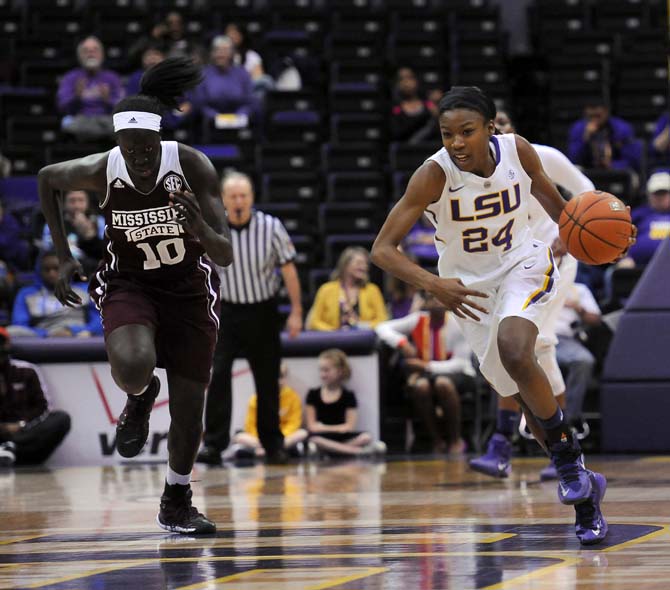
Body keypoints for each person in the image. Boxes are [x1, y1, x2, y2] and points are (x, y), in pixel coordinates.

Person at [370, 86, 624, 545]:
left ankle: (567, 464)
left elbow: (553, 202)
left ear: (491, 128)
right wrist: (432, 284)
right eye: (448, 134)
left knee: (516, 350)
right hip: (467, 290)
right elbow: (382, 250)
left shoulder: (518, 150)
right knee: (520, 393)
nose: (456, 143)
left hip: (524, 263)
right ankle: (585, 492)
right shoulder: (432, 175)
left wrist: (588, 236)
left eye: (466, 132)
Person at [38, 57, 233, 535]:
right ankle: (142, 395)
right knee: (133, 364)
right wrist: (63, 255)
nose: (141, 157)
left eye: (147, 146)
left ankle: (176, 500)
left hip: (189, 288)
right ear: (117, 143)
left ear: (159, 139)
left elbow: (225, 253)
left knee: (190, 410)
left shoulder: (190, 164)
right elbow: (47, 179)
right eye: (130, 148)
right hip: (130, 281)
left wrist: (198, 226)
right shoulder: (103, 168)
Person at [469, 109, 596, 481]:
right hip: (512, 266)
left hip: (554, 261)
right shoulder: (478, 175)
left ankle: (503, 443)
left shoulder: (542, 156)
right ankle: (564, 448)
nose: (502, 131)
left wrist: (569, 230)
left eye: (507, 124)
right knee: (524, 349)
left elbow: (588, 189)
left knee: (522, 348)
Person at [197, 171, 303, 466]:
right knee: (217, 377)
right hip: (226, 311)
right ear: (223, 199)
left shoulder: (271, 227)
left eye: (244, 196)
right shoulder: (212, 228)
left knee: (268, 379)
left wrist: (295, 311)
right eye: (233, 196)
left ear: (252, 198)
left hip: (263, 310)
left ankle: (273, 444)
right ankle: (214, 444)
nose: (239, 201)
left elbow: (289, 270)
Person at [376, 293, 475, 454]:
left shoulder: (458, 323)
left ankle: (455, 439)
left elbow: (461, 363)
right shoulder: (417, 320)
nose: (436, 301)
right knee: (420, 387)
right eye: (431, 298)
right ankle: (436, 440)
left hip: (457, 373)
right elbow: (382, 327)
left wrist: (426, 366)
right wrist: (402, 343)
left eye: (439, 297)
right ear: (425, 303)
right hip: (426, 374)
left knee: (442, 383)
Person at [0, 327, 71, 467]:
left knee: (61, 419)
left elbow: (43, 408)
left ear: (7, 344)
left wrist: (22, 424)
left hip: (24, 433)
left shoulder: (27, 370)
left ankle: (9, 448)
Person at [305, 349, 385, 457]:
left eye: (327, 370)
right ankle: (359, 452)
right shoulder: (313, 394)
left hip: (342, 437)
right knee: (314, 439)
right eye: (321, 370)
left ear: (339, 371)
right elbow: (312, 426)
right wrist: (338, 428)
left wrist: (323, 426)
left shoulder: (348, 396)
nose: (323, 374)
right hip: (322, 437)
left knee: (366, 437)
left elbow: (349, 427)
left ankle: (330, 451)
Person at [9, 251, 102, 338]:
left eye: (56, 269)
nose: (51, 274)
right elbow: (20, 325)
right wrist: (47, 334)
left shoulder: (86, 290)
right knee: (12, 331)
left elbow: (100, 319)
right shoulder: (26, 293)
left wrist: (74, 330)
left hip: (79, 337)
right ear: (39, 271)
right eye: (47, 269)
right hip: (42, 340)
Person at [228, 363, 308, 460]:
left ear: (285, 378)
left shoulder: (292, 397)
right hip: (261, 438)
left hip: (283, 437)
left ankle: (264, 450)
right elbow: (250, 425)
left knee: (302, 433)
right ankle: (275, 450)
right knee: (239, 436)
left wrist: (279, 438)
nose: (277, 381)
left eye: (280, 377)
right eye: (273, 377)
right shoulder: (256, 398)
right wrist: (264, 440)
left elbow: (294, 423)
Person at [57, 36, 123, 142]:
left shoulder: (112, 77)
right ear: (80, 56)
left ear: (102, 54)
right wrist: (77, 97)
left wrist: (107, 99)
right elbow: (63, 107)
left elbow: (122, 108)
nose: (91, 54)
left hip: (106, 120)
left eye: (95, 50)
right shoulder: (71, 77)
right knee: (67, 123)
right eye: (86, 51)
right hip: (80, 120)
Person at [555, 282, 602, 430]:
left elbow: (596, 320)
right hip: (534, 338)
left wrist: (579, 308)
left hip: (564, 340)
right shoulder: (531, 283)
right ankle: (515, 425)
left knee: (584, 360)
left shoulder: (577, 289)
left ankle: (568, 420)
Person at [307, 247, 388, 331]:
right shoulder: (326, 289)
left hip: (364, 339)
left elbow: (383, 320)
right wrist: (333, 332)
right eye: (359, 263)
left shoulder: (372, 290)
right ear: (345, 265)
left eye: (366, 264)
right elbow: (314, 321)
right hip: (332, 340)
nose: (364, 267)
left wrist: (363, 326)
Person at [190, 36, 256, 129]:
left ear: (232, 53)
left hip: (239, 121)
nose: (221, 54)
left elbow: (249, 101)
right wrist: (217, 117)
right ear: (212, 53)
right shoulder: (203, 74)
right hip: (211, 122)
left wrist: (239, 116)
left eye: (225, 50)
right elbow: (200, 104)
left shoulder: (242, 74)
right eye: (217, 50)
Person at [41, 190, 105, 277]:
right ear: (64, 204)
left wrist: (89, 235)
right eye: (72, 201)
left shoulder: (99, 221)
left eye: (81, 200)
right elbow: (47, 251)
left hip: (92, 269)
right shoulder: (53, 223)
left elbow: (104, 252)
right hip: (62, 268)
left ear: (88, 203)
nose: (77, 206)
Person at [567, 98, 641, 172]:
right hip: (588, 170)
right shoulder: (578, 129)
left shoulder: (622, 128)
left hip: (615, 169)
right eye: (591, 116)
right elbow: (573, 158)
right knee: (575, 169)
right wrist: (585, 137)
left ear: (606, 112)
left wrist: (613, 165)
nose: (594, 120)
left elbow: (632, 160)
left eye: (597, 116)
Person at [391, 67, 441, 144]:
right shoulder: (396, 109)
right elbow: (397, 134)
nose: (406, 82)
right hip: (406, 152)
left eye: (409, 78)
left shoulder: (428, 104)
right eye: (401, 79)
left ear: (416, 80)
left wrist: (437, 113)